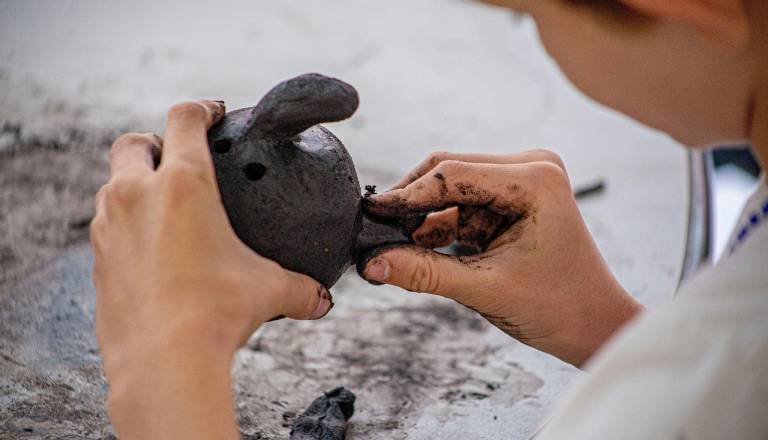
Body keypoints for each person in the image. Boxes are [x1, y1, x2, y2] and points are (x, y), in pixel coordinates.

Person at [90, 0, 768, 438]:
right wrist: (614, 333)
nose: (535, 29)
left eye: (529, 14)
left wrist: (164, 376)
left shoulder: (705, 384)